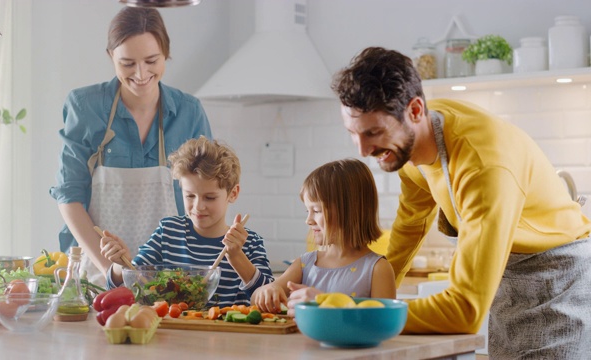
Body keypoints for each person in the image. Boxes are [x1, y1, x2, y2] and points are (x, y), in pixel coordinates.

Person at [320, 46, 591, 358]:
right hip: (510, 282)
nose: (363, 150)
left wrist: (363, 316)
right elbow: (410, 227)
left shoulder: (483, 165)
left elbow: (465, 310)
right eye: (353, 134)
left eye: (374, 133)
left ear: (415, 111)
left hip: (559, 282)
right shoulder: (413, 145)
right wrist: (367, 292)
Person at [49, 7, 212, 287]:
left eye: (151, 60)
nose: (141, 73)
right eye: (127, 63)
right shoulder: (85, 106)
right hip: (96, 272)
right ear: (111, 56)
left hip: (171, 275)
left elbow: (207, 195)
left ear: (166, 52)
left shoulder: (189, 112)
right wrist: (113, 272)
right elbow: (69, 197)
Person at [100, 136, 274, 307]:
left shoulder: (250, 243)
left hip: (227, 334)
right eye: (190, 196)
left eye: (210, 197)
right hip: (172, 333)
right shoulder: (168, 232)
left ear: (233, 193)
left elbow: (270, 298)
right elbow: (123, 289)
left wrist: (237, 257)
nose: (198, 207)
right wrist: (119, 265)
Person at [252, 158, 396, 314]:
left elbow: (382, 323)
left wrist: (324, 302)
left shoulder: (377, 269)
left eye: (317, 211)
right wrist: (268, 290)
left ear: (348, 211)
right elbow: (255, 299)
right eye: (308, 211)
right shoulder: (305, 264)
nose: (308, 220)